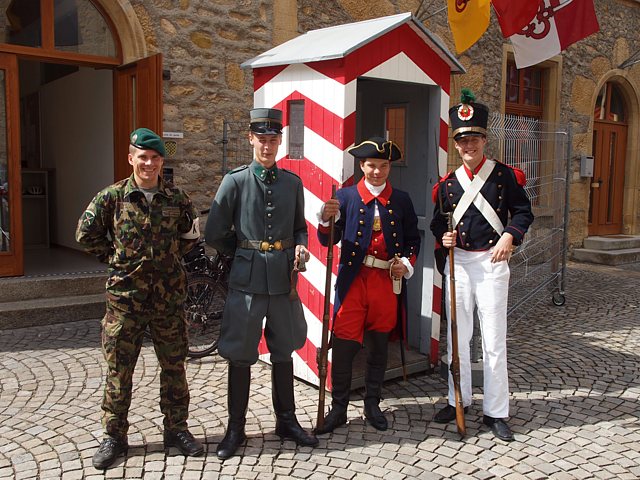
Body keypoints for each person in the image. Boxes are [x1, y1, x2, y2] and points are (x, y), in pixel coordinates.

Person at [76, 128, 204, 469]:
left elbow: (190, 237)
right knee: (119, 371)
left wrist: (167, 260)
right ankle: (114, 436)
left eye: (155, 158)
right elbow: (85, 234)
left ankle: (176, 430)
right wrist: (117, 258)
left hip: (168, 300)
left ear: (162, 161)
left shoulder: (177, 199)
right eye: (142, 157)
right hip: (125, 301)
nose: (149, 163)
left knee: (174, 368)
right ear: (131, 158)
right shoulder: (112, 197)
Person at [205, 107, 318, 460]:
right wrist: (242, 255)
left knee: (284, 350)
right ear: (250, 139)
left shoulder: (292, 183)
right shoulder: (235, 181)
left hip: (283, 282)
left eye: (273, 140)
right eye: (262, 139)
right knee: (240, 354)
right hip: (247, 281)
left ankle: (287, 420)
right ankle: (235, 429)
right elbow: (215, 232)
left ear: (280, 142)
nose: (267, 146)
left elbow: (300, 226)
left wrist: (300, 242)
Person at [430, 90, 534, 441]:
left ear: (484, 139)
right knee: (457, 338)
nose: (468, 145)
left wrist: (510, 236)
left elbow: (523, 212)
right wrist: (443, 239)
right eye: (462, 140)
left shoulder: (505, 177)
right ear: (456, 145)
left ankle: (496, 411)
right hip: (458, 264)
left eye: (474, 138)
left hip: (491, 262)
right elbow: (436, 222)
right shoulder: (446, 185)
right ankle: (457, 398)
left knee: (493, 340)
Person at [315, 136, 421, 434]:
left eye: (383, 165)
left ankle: (373, 403)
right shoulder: (346, 197)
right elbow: (328, 240)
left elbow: (414, 239)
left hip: (386, 281)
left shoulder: (401, 199)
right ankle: (338, 408)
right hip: (354, 280)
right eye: (371, 165)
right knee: (346, 346)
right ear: (361, 165)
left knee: (377, 346)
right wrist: (325, 219)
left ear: (390, 166)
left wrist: (408, 264)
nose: (377, 171)